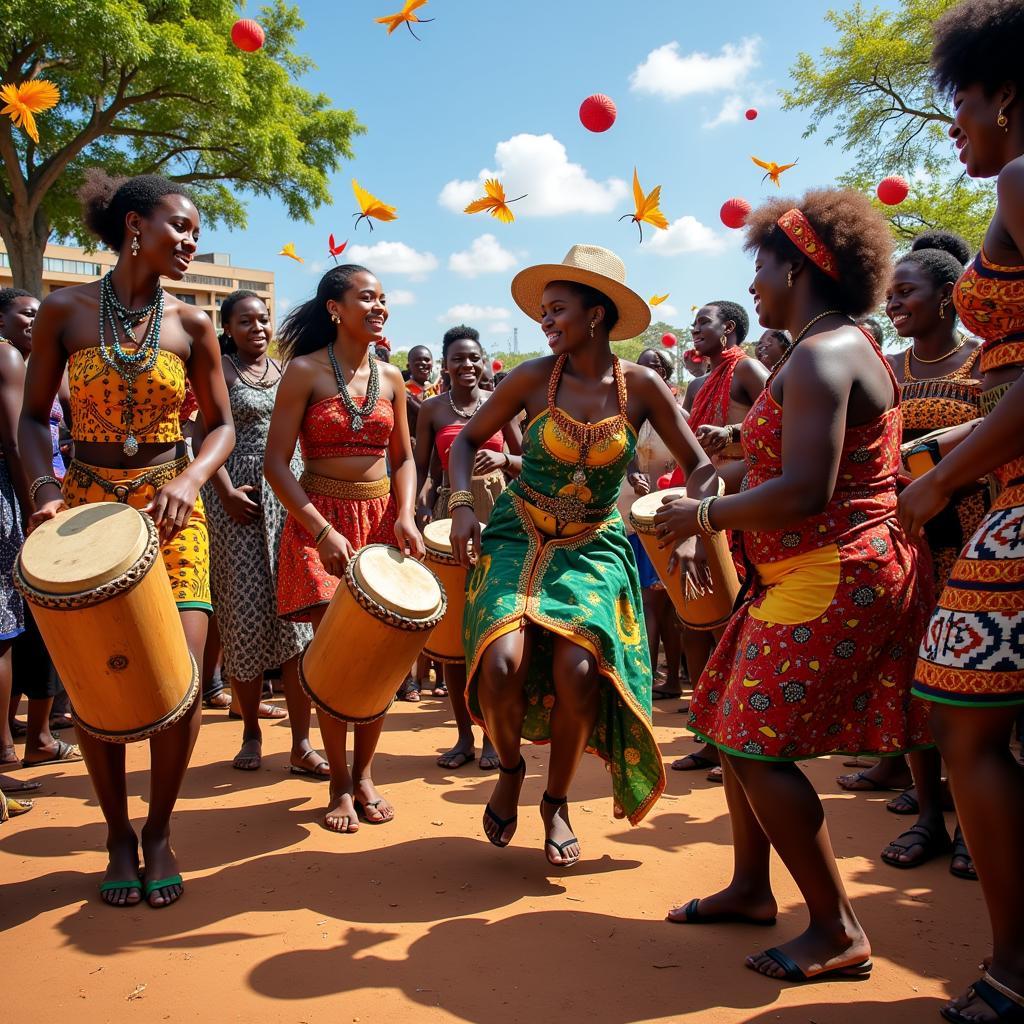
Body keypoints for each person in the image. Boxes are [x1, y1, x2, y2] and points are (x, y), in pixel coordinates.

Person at [655, 189, 930, 983]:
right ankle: (748, 888)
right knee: (725, 724)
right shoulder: (819, 349)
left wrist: (703, 511)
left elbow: (807, 489)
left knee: (749, 741)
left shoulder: (822, 353)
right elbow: (785, 463)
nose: (753, 285)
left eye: (762, 266)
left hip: (833, 570)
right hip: (797, 572)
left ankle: (837, 929)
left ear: (801, 265)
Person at [448, 244, 717, 866]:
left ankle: (557, 801)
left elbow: (700, 467)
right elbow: (465, 440)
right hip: (518, 534)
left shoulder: (643, 386)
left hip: (593, 544)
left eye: (558, 309)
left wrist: (700, 525)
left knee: (577, 673)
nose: (546, 321)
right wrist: (463, 504)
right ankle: (510, 770)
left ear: (596, 314)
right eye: (543, 311)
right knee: (499, 666)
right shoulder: (529, 379)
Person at [19, 171, 235, 908]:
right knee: (97, 682)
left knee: (181, 682)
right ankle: (116, 833)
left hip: (174, 511)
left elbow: (222, 424)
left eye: (198, 233)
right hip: (84, 510)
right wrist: (45, 491)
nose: (193, 242)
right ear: (136, 224)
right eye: (182, 226)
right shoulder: (64, 311)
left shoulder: (194, 325)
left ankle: (161, 829)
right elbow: (31, 417)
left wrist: (191, 479)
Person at [898, 4, 1024, 1018]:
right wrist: (947, 447)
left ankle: (1016, 969)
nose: (954, 128)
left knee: (961, 707)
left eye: (963, 105)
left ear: (1010, 98)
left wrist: (941, 479)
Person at [839, 232, 985, 881]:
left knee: (970, 691)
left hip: (974, 545)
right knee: (913, 678)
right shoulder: (889, 370)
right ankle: (929, 813)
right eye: (889, 294)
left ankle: (976, 826)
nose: (894, 303)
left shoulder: (985, 364)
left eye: (906, 292)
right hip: (905, 543)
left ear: (948, 297)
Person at [264, 264, 423, 834]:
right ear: (335, 307)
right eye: (367, 297)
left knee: (378, 654)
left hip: (381, 522)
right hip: (320, 524)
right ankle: (338, 782)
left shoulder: (394, 378)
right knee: (336, 652)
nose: (380, 306)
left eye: (384, 298)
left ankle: (365, 775)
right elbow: (276, 463)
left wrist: (404, 514)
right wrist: (319, 530)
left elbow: (404, 459)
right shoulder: (304, 371)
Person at [199, 291, 317, 773]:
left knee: (296, 616)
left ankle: (302, 742)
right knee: (243, 613)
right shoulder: (221, 371)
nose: (258, 329)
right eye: (245, 322)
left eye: (263, 320)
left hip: (289, 495)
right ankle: (250, 731)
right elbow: (202, 433)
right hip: (240, 501)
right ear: (227, 329)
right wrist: (224, 490)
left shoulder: (291, 371)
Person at [414, 324, 522, 769]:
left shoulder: (502, 406)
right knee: (454, 635)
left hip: (499, 519)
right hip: (450, 521)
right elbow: (422, 470)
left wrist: (505, 459)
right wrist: (419, 510)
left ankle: (494, 737)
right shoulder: (431, 410)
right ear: (445, 365)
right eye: (457, 359)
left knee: (492, 627)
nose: (467, 365)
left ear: (484, 361)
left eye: (474, 357)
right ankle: (463, 738)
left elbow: (531, 462)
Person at [672, 301, 769, 776]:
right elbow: (693, 455)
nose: (695, 330)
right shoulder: (696, 383)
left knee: (726, 625)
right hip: (699, 504)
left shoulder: (749, 369)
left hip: (734, 512)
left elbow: (779, 434)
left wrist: (732, 447)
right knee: (696, 621)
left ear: (729, 328)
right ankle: (707, 736)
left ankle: (732, 741)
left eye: (703, 322)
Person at [0, 288, 76, 795]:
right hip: (23, 496)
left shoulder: (37, 362)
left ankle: (33, 733)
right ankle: (10, 745)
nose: (34, 320)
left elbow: (70, 417)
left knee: (31, 620)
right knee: (12, 620)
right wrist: (35, 505)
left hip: (46, 494)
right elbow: (13, 439)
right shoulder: (5, 356)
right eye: (25, 312)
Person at [618, 347, 685, 701]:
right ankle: (649, 677)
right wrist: (632, 476)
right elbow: (623, 456)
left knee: (665, 604)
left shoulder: (679, 414)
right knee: (644, 603)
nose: (648, 372)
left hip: (666, 514)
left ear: (667, 373)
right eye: (641, 367)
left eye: (656, 367)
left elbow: (691, 462)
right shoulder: (623, 413)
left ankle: (667, 678)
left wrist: (666, 483)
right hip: (629, 517)